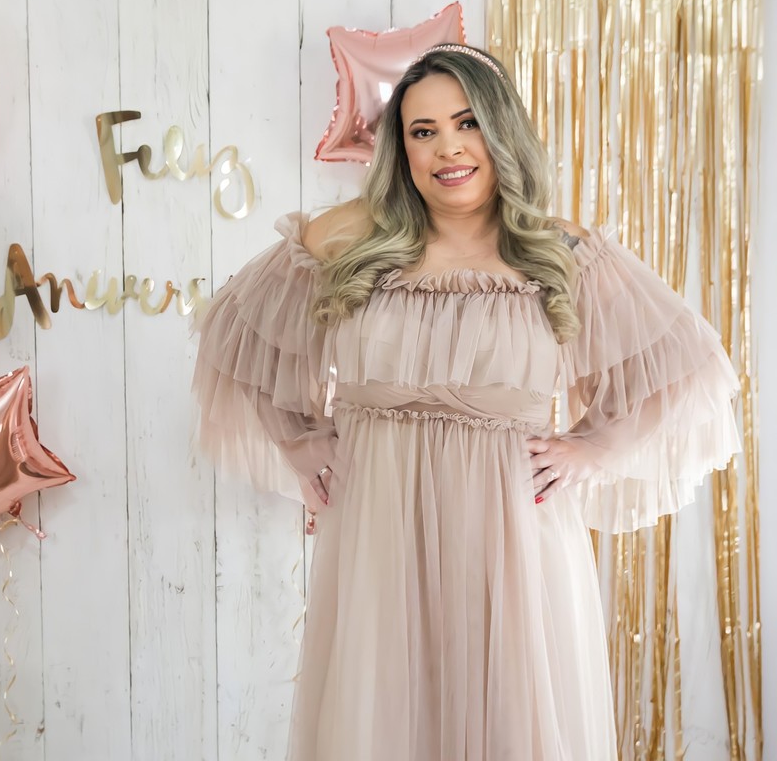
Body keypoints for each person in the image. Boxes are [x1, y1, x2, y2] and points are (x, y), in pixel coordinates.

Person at [192, 44, 741, 761]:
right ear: (402, 149)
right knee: (385, 721)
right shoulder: (348, 239)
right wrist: (299, 439)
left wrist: (593, 448)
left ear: (500, 128)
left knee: (509, 724)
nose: (447, 148)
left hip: (512, 536)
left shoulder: (559, 252)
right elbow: (236, 335)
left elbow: (688, 367)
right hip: (379, 530)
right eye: (422, 131)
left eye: (467, 122)